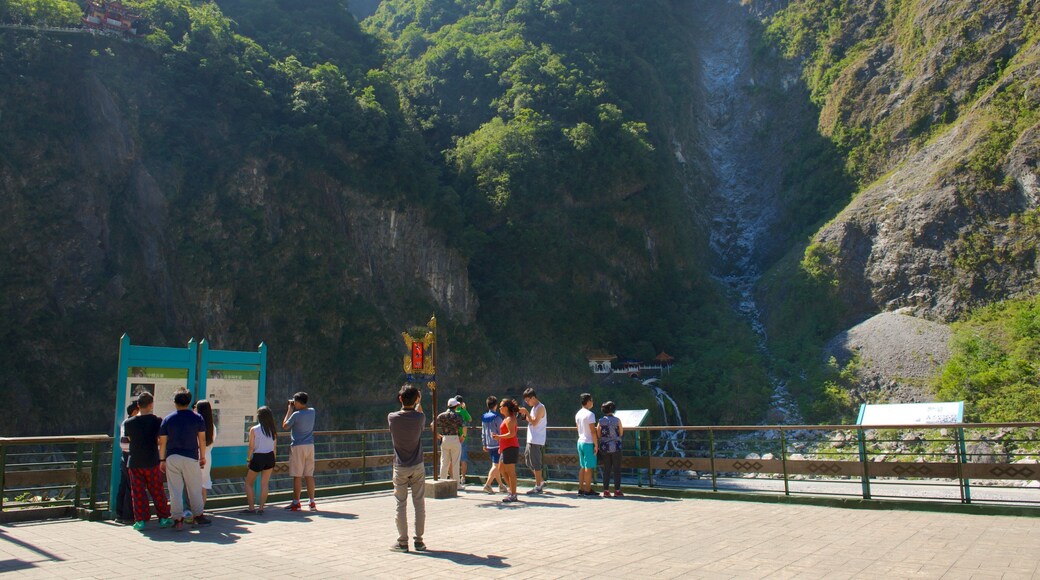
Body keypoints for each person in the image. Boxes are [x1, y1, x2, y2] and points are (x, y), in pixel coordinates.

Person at [159, 391, 211, 530]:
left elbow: (163, 442)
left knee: (175, 489)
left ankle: (177, 519)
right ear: (188, 402)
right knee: (194, 488)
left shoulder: (168, 419)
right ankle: (198, 515)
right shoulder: (197, 417)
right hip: (191, 456)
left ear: (175, 403)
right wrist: (202, 456)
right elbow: (202, 439)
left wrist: (162, 459)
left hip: (172, 457)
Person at [123, 393, 172, 531]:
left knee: (138, 492)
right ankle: (163, 518)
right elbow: (160, 439)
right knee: (157, 490)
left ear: (138, 405)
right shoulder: (157, 421)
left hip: (135, 461)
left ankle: (140, 520)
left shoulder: (129, 422)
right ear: (151, 405)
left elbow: (130, 439)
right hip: (152, 459)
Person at [388, 384, 426, 553]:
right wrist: (419, 401)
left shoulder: (392, 418)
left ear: (400, 398)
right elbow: (419, 412)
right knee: (419, 503)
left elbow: (408, 409)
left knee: (400, 504)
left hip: (400, 466)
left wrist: (414, 400)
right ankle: (419, 541)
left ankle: (403, 542)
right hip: (417, 464)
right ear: (417, 399)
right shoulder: (420, 418)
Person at [282, 392, 317, 511]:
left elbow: (285, 426)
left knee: (297, 475)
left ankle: (296, 502)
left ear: (297, 402)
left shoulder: (296, 415)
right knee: (309, 474)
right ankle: (312, 502)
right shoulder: (312, 411)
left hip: (298, 447)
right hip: (310, 446)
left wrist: (289, 410)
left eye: (294, 402)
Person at [242, 406, 277, 514]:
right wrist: (274, 460)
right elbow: (274, 447)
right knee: (264, 483)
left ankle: (251, 508)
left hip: (258, 457)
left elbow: (251, 447)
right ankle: (261, 508)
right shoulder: (273, 430)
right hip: (270, 457)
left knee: (248, 483)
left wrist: (248, 459)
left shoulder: (254, 429)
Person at [518, 387, 548, 494]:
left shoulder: (540, 407)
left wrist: (526, 412)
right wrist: (524, 415)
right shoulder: (533, 408)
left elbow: (534, 422)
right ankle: (541, 481)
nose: (527, 402)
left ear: (533, 397)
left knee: (536, 463)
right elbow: (530, 420)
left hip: (537, 439)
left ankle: (538, 486)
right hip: (530, 438)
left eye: (528, 400)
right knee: (528, 461)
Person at [492, 398, 521, 503]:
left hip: (510, 447)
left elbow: (512, 434)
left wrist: (499, 437)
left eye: (501, 406)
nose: (499, 408)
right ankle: (511, 490)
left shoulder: (510, 419)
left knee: (511, 472)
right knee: (501, 469)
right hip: (505, 448)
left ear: (506, 408)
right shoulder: (506, 418)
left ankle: (513, 494)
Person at [115, 401, 139, 523]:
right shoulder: (132, 423)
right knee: (130, 486)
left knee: (124, 485)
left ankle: (120, 513)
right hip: (130, 455)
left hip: (124, 455)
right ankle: (128, 516)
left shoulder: (125, 422)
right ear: (135, 411)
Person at [434, 398, 464, 488]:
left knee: (444, 462)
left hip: (445, 438)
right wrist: (463, 436)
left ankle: (442, 482)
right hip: (455, 438)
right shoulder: (458, 416)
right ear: (456, 406)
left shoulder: (442, 415)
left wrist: (437, 435)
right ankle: (457, 484)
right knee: (455, 462)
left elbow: (432, 425)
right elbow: (464, 427)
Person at [598, 400, 624, 497]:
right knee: (617, 469)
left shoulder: (601, 421)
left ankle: (606, 490)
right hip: (616, 447)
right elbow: (621, 432)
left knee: (607, 469)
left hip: (605, 448)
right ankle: (617, 490)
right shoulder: (617, 420)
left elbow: (598, 433)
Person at [574, 393, 599, 497]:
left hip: (580, 441)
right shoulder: (590, 414)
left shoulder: (578, 414)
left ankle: (581, 488)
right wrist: (596, 445)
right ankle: (588, 489)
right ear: (588, 401)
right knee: (588, 467)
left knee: (582, 466)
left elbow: (577, 428)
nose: (592, 402)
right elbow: (593, 431)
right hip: (588, 442)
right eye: (591, 400)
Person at [194, 400, 216, 511]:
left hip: (196, 455)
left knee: (194, 485)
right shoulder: (212, 426)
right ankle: (201, 510)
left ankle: (195, 511)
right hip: (207, 456)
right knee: (203, 485)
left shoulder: (196, 424)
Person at [480, 396, 504, 494]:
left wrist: (484, 443)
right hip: (497, 444)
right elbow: (502, 430)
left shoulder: (484, 417)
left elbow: (483, 432)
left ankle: (501, 486)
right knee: (495, 466)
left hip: (489, 444)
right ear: (496, 405)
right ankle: (487, 484)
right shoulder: (497, 417)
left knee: (495, 465)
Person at [453, 395, 472, 483]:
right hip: (463, 438)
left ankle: (453, 477)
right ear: (461, 403)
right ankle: (463, 477)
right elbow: (470, 419)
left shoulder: (452, 412)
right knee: (463, 458)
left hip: (453, 437)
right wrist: (465, 409)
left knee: (453, 458)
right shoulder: (463, 411)